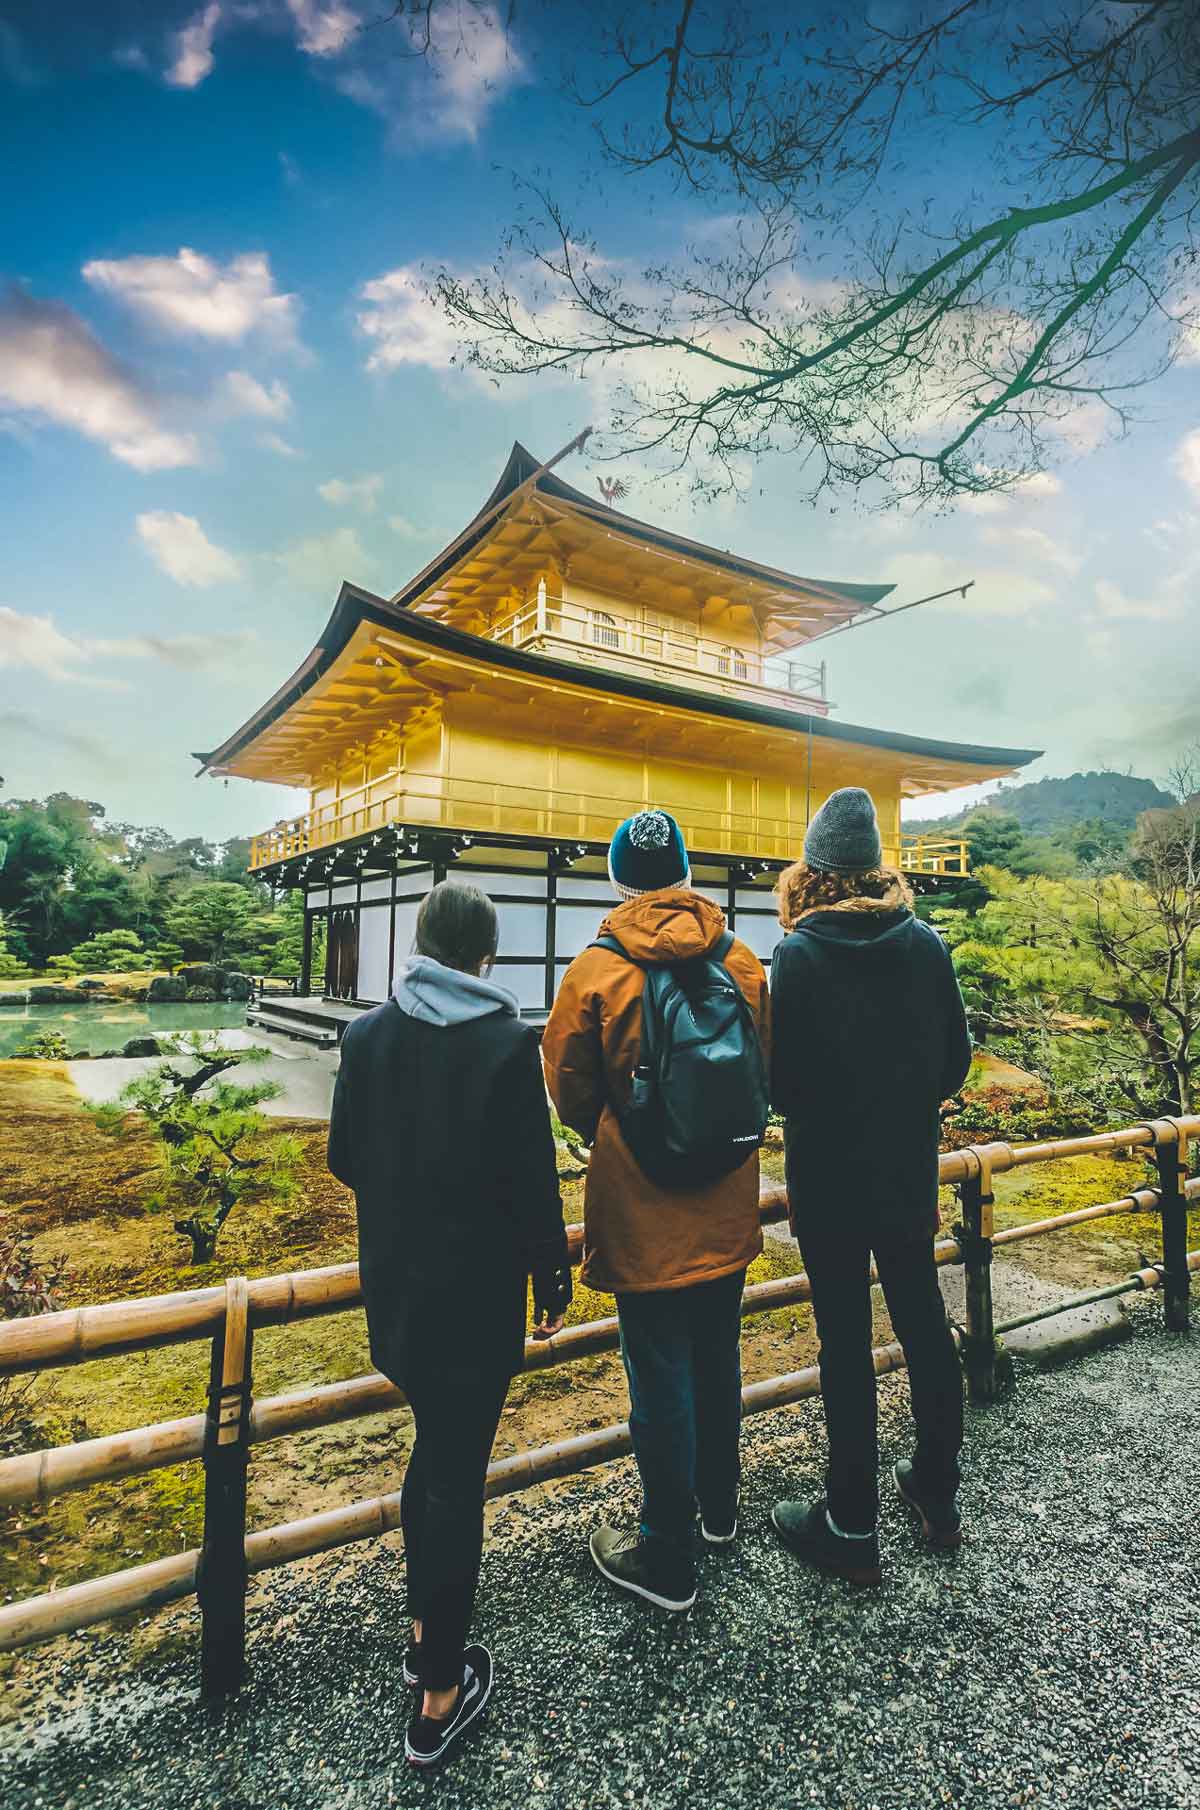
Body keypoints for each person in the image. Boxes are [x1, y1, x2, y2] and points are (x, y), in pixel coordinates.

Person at [327, 879, 572, 1770]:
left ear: (419, 945)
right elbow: (533, 1182)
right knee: (455, 1476)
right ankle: (437, 1695)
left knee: (433, 1454)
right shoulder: (509, 1045)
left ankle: (428, 1625)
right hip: (476, 1300)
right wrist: (552, 1275)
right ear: (487, 956)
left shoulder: (366, 1035)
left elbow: (343, 1156)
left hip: (397, 1292)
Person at [542, 808, 770, 1613]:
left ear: (617, 877)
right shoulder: (740, 959)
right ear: (685, 871)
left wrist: (625, 1125)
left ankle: (666, 1553)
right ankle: (720, 1513)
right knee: (719, 1357)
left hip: (641, 1205)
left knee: (659, 1374)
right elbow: (759, 1071)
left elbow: (569, 1092)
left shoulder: (596, 971)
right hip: (727, 1200)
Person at [767, 787, 972, 1585]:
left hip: (827, 1182)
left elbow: (780, 1083)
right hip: (904, 1169)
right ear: (877, 866)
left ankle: (850, 1525)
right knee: (923, 1322)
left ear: (815, 872)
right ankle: (937, 1493)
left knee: (844, 1343)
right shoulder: (924, 945)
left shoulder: (799, 955)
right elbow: (953, 1062)